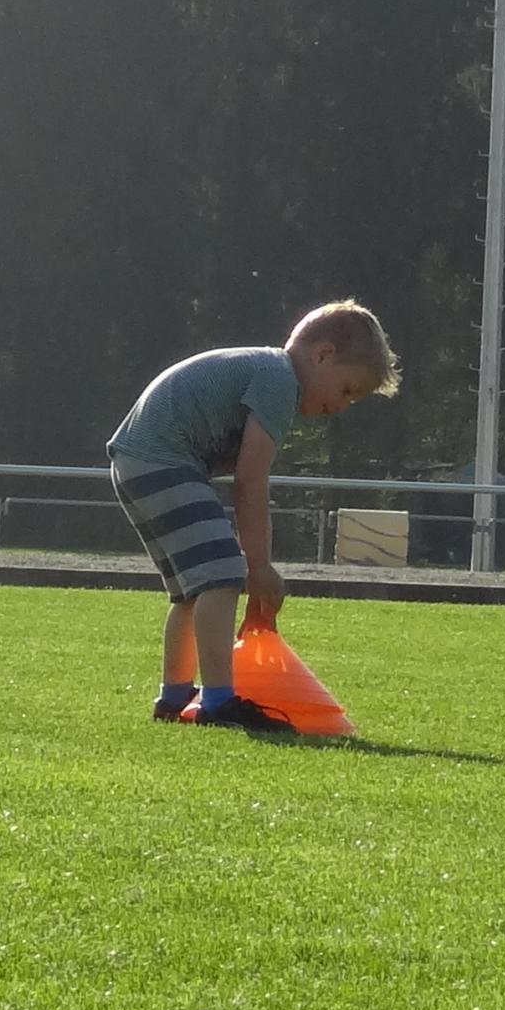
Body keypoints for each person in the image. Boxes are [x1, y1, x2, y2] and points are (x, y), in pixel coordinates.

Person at [109, 305, 398, 731]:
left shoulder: (268, 371)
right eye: (346, 390)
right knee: (222, 575)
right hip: (162, 459)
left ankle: (175, 696)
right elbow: (250, 480)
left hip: (135, 462)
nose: (341, 407)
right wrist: (259, 567)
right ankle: (218, 702)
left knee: (192, 589)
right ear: (323, 355)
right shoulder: (280, 381)